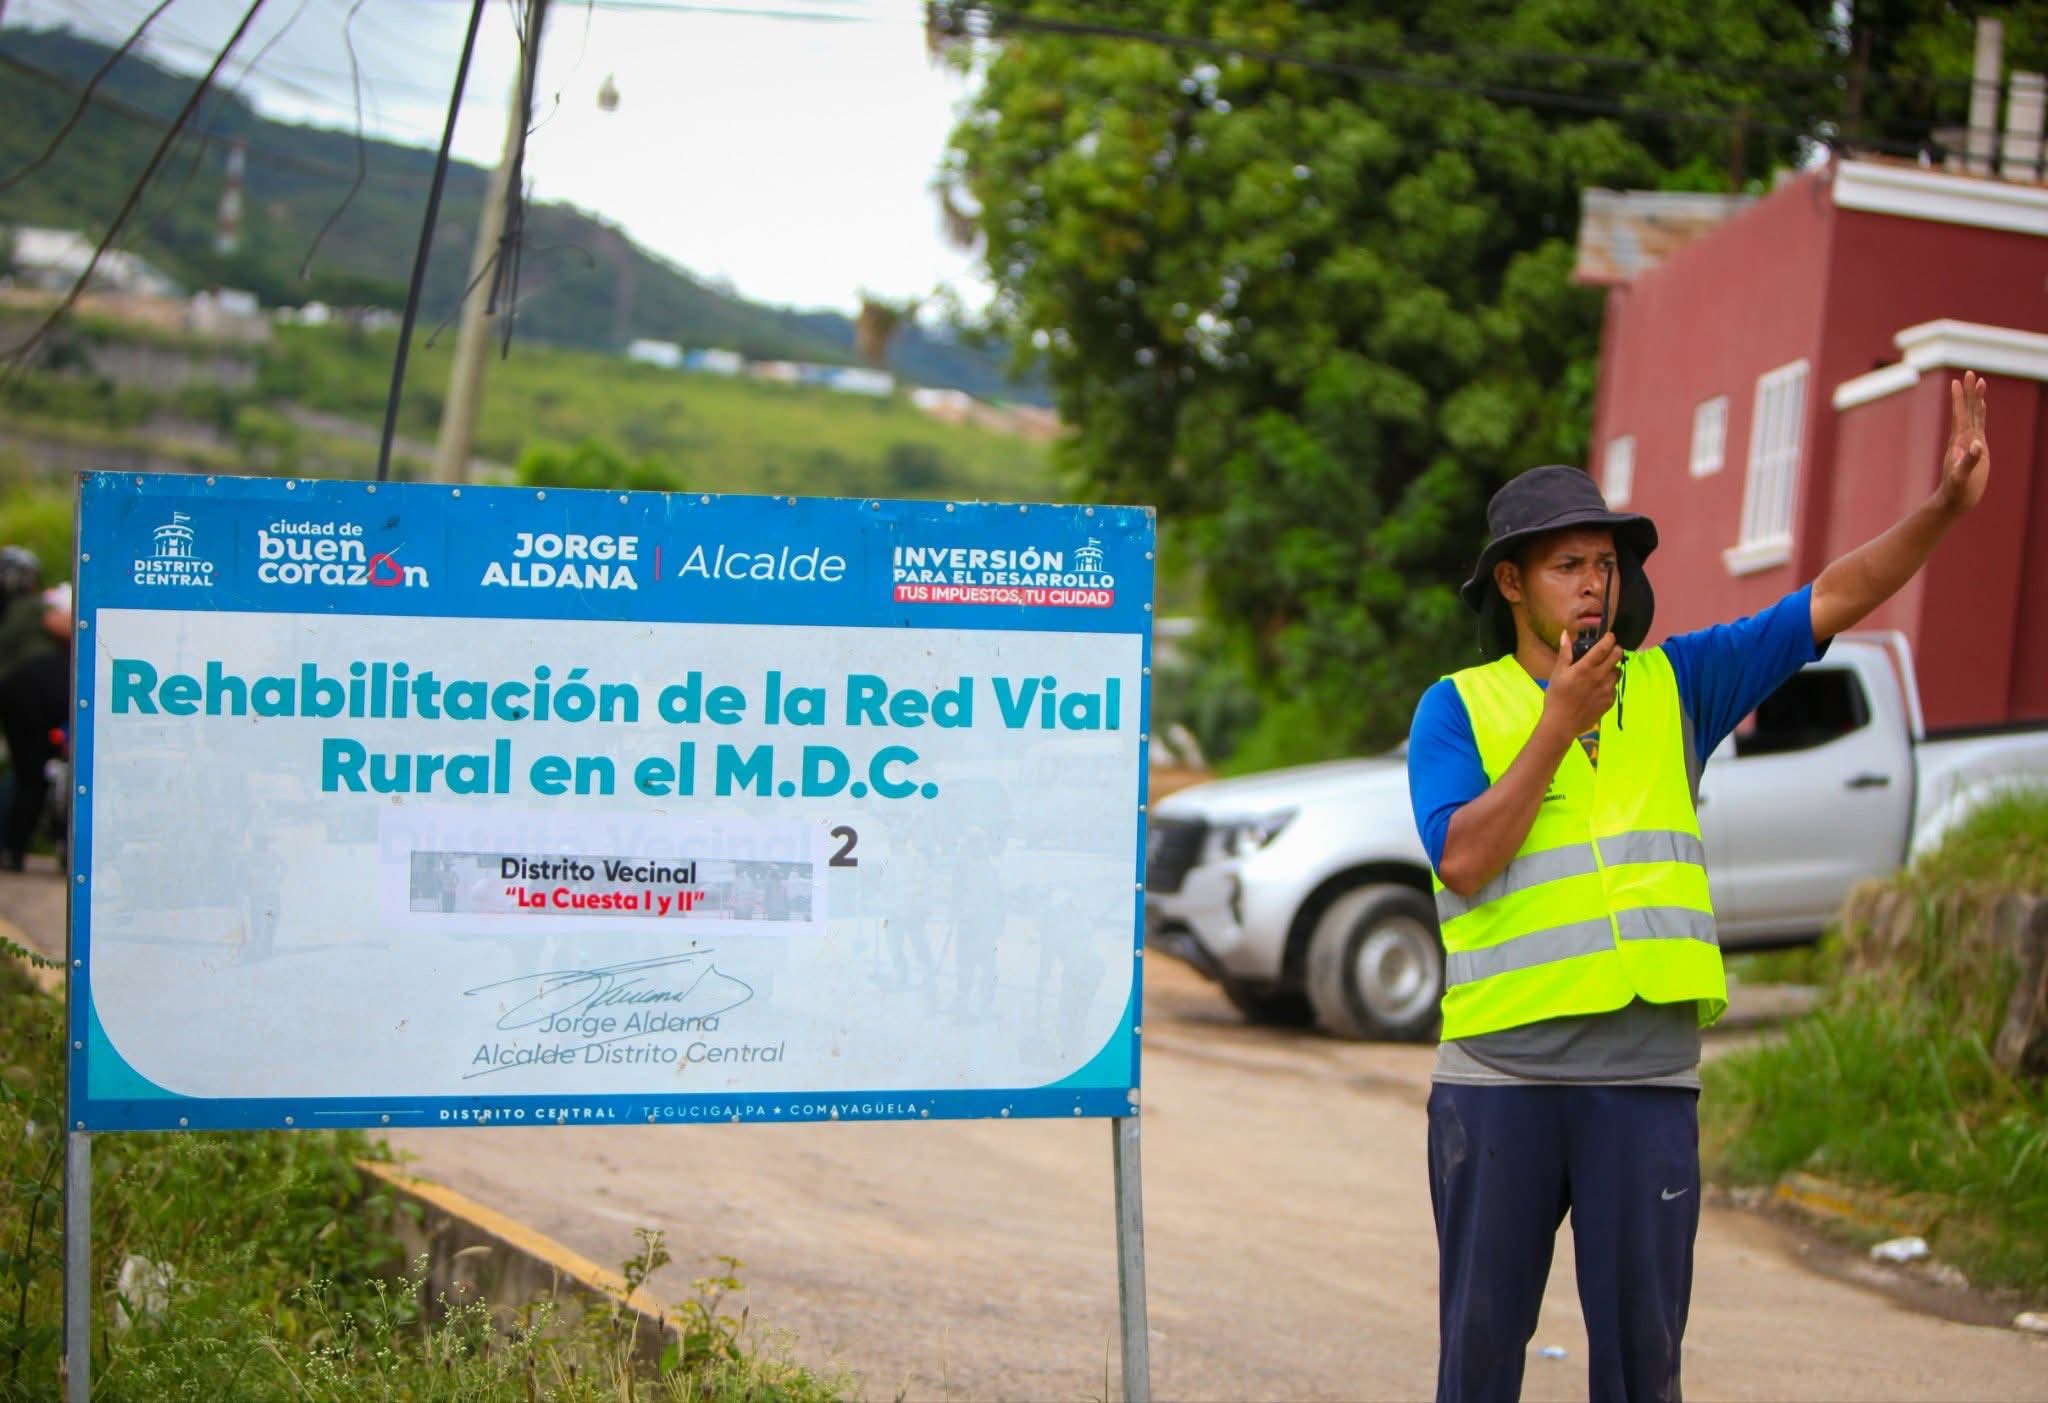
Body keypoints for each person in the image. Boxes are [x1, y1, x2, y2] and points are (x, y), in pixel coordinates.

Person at [1406, 372, 1991, 1403]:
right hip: (1498, 1079)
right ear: (1510, 583)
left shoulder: (1678, 683)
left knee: (1642, 1370)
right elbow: (1462, 857)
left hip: (1645, 1082)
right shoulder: (1456, 709)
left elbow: (1830, 596)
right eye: (1564, 565)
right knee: (1476, 1361)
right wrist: (1556, 722)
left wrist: (1941, 507)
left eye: (1603, 564)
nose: (1591, 584)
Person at [0, 582, 75, 870]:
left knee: (27, 775)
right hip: (43, 689)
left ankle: (14, 850)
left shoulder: (14, 614)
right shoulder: (35, 606)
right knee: (40, 774)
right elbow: (63, 624)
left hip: (19, 692)